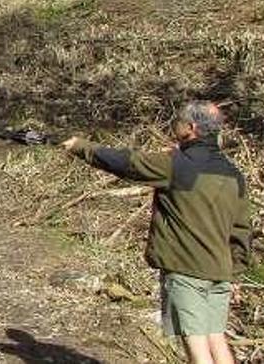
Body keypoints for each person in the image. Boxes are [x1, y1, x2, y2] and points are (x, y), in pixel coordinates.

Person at [60, 101, 251, 364]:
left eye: (179, 122)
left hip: (187, 273)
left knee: (197, 349)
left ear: (191, 128)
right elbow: (241, 230)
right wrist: (236, 273)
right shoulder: (234, 174)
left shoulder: (177, 165)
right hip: (221, 273)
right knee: (216, 340)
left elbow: (127, 163)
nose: (175, 126)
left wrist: (81, 147)